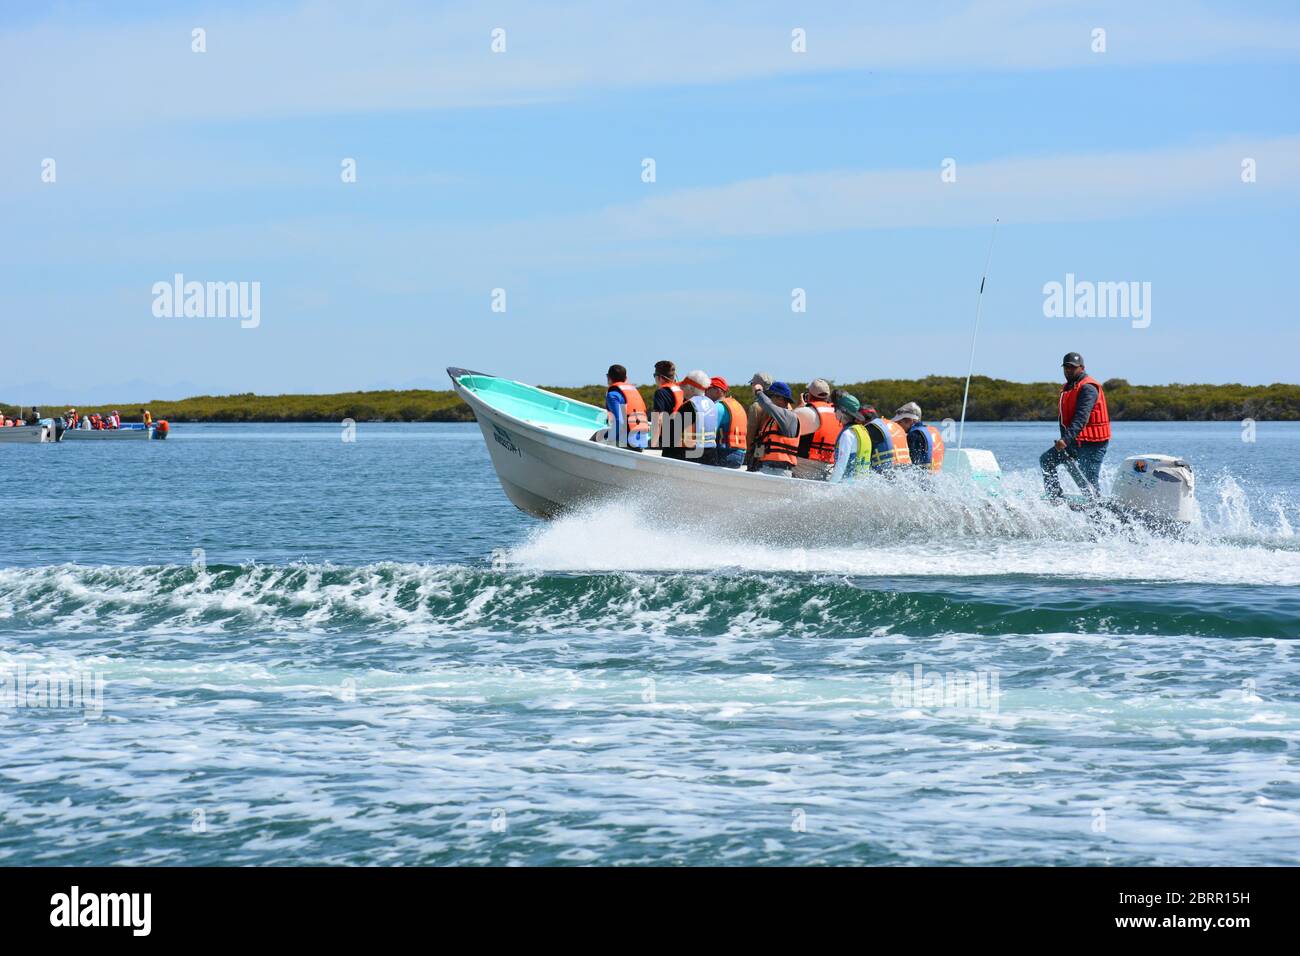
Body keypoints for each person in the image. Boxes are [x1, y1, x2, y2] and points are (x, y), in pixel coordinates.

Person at [1041, 352, 1110, 500]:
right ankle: (1055, 498)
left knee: (1089, 485)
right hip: (1074, 442)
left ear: (1082, 368)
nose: (1068, 370)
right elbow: (1064, 419)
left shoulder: (1088, 388)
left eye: (1072, 367)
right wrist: (1065, 440)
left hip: (1092, 445)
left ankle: (1102, 517)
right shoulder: (1068, 387)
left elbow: (1081, 419)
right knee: (1047, 460)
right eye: (1066, 367)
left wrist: (1065, 440)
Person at [661, 370, 718, 464]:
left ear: (691, 388)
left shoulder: (689, 405)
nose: (681, 389)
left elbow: (670, 436)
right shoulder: (712, 404)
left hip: (692, 456)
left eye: (683, 386)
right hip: (710, 456)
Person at [794, 378, 842, 481]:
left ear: (810, 395)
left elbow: (787, 425)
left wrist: (799, 407)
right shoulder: (838, 413)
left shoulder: (806, 411)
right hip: (830, 465)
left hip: (805, 465)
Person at [751, 381, 802, 476]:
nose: (769, 399)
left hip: (781, 471)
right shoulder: (771, 420)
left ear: (781, 399)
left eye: (771, 396)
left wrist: (758, 391)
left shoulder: (789, 417)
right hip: (765, 467)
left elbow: (768, 405)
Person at [603, 364, 649, 450]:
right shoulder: (634, 391)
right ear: (625, 378)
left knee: (597, 437)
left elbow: (619, 422)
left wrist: (606, 437)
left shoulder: (612, 395)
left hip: (628, 442)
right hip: (642, 442)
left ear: (608, 378)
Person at [705, 376, 747, 468]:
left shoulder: (717, 407)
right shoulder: (737, 405)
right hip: (740, 454)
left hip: (726, 453)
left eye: (707, 389)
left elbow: (708, 433)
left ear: (718, 391)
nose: (705, 393)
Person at [891, 402, 945, 472]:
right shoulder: (927, 432)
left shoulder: (913, 435)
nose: (898, 426)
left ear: (911, 420)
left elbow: (913, 465)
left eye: (900, 422)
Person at [649, 360, 682, 450]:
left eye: (654, 376)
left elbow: (658, 419)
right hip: (681, 441)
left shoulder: (660, 393)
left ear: (660, 377)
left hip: (666, 442)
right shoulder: (681, 391)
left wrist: (653, 444)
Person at [745, 371, 774, 470]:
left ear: (757, 385)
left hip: (759, 451)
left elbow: (750, 434)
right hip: (777, 453)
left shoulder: (756, 406)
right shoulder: (781, 404)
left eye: (752, 384)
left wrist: (747, 452)